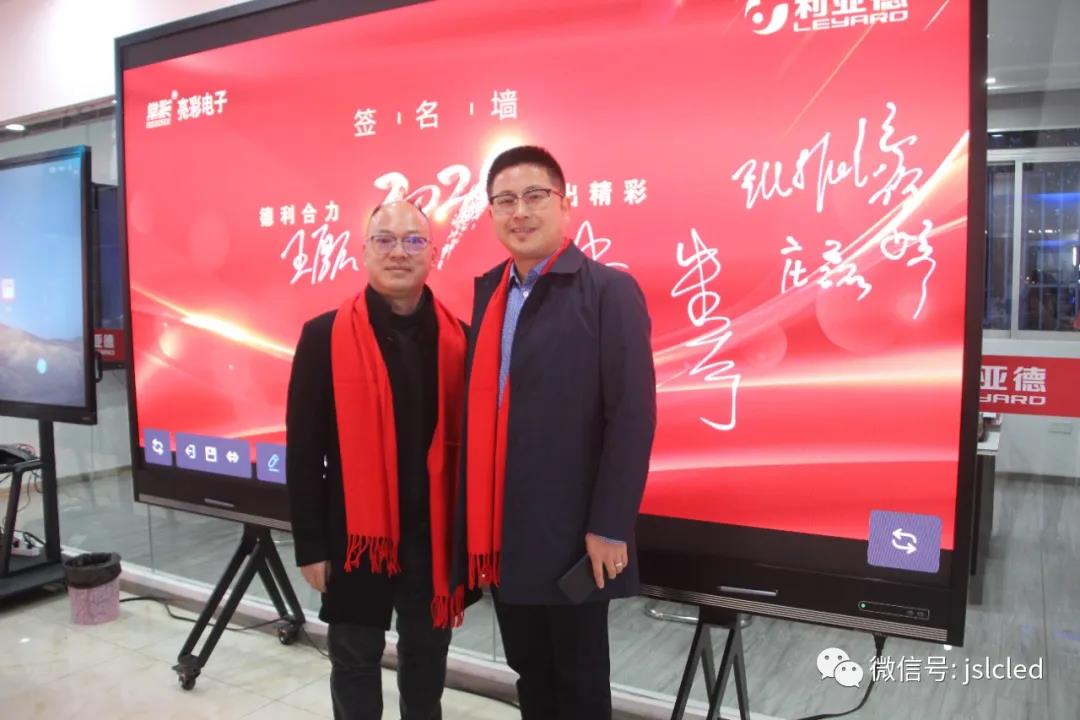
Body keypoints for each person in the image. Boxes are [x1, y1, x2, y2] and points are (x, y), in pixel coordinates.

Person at [453, 146, 657, 718]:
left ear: (565, 205)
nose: (520, 211)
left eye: (534, 196)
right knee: (530, 673)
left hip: (573, 535)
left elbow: (632, 416)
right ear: (492, 214)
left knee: (579, 680)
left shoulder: (608, 291)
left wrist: (610, 525)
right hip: (504, 528)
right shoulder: (492, 292)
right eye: (505, 200)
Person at [286, 200, 474, 720]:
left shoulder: (461, 340)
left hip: (434, 537)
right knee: (353, 660)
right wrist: (310, 545)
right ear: (364, 252)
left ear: (433, 253)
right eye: (384, 240)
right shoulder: (323, 337)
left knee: (427, 660)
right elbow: (304, 452)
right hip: (354, 535)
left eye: (413, 240)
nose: (399, 252)